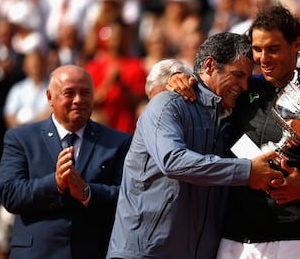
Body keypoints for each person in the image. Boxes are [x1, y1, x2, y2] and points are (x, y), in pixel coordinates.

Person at [169, 3, 300, 258]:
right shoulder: (242, 88)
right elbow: (206, 85)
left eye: (273, 49)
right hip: (231, 240)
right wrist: (180, 79)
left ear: (296, 44)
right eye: (257, 50)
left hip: (291, 242)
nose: (263, 58)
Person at [106, 32, 285, 259]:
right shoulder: (168, 103)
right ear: (210, 65)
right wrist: (247, 171)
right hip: (144, 253)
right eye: (238, 75)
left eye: (248, 79)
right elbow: (172, 161)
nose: (244, 85)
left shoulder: (228, 121)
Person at [0, 64, 132, 259]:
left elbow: (128, 198)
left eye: (85, 93)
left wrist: (87, 192)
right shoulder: (21, 139)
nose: (78, 100)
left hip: (93, 251)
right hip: (36, 253)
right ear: (50, 97)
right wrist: (56, 183)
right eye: (69, 93)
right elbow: (10, 194)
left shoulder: (118, 142)